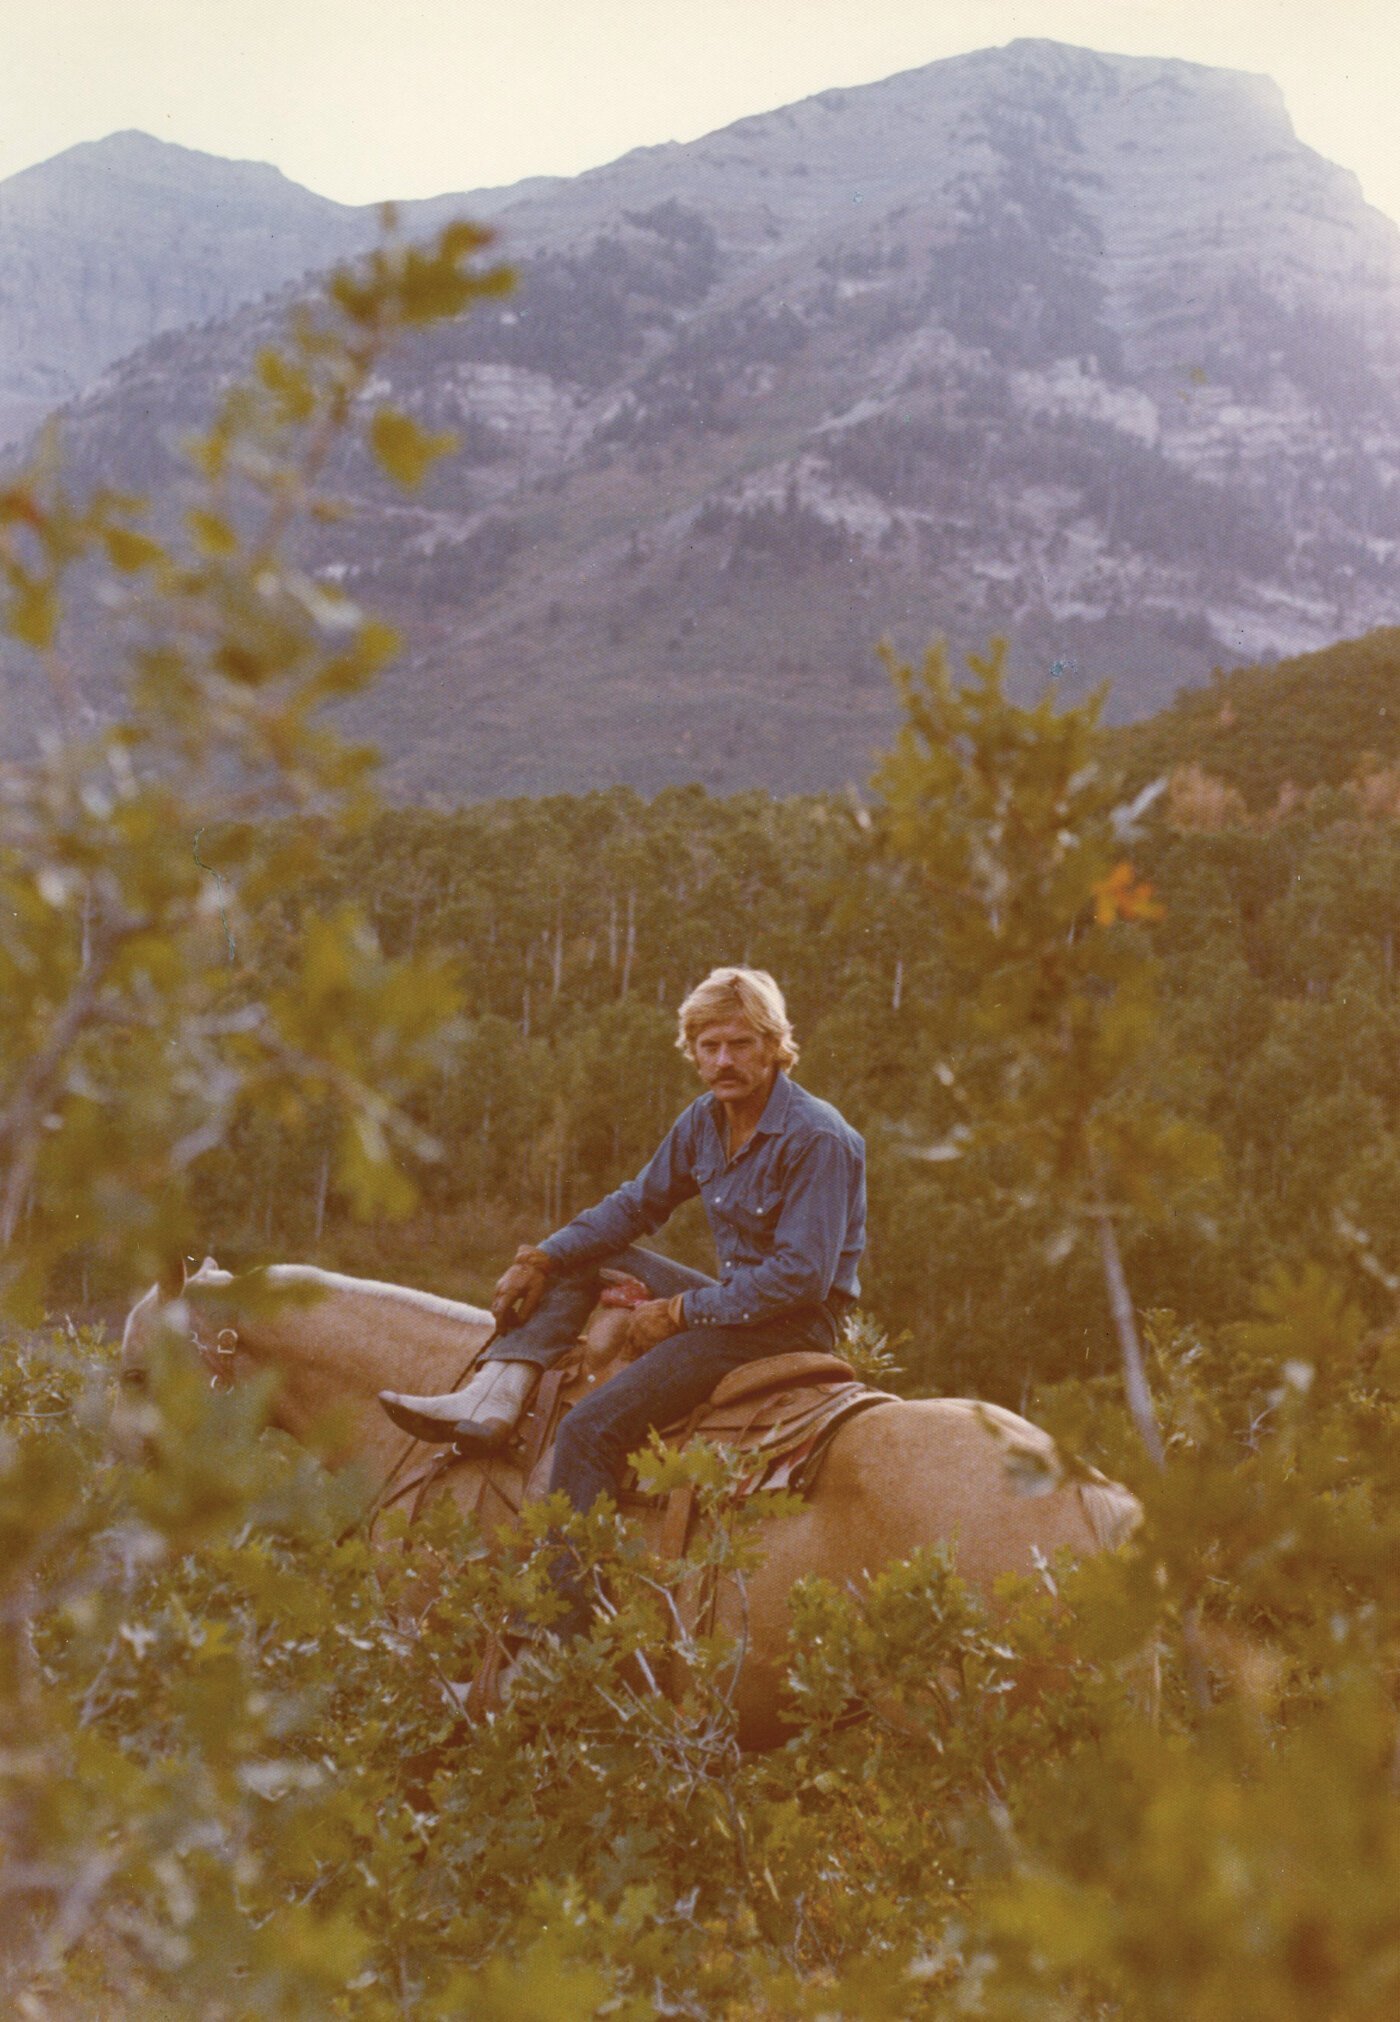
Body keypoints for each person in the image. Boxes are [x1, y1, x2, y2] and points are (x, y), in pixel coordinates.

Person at [378, 965, 865, 1637]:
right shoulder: (705, 1121)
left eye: (740, 1044)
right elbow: (637, 1204)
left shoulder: (816, 1137)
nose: (723, 1061)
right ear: (691, 1049)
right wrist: (543, 1255)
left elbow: (799, 1279)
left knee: (591, 1428)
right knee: (586, 1256)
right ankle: (497, 1390)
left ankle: (557, 1631)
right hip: (733, 1303)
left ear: (774, 1045)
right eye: (708, 1045)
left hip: (787, 1326)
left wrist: (679, 1313)